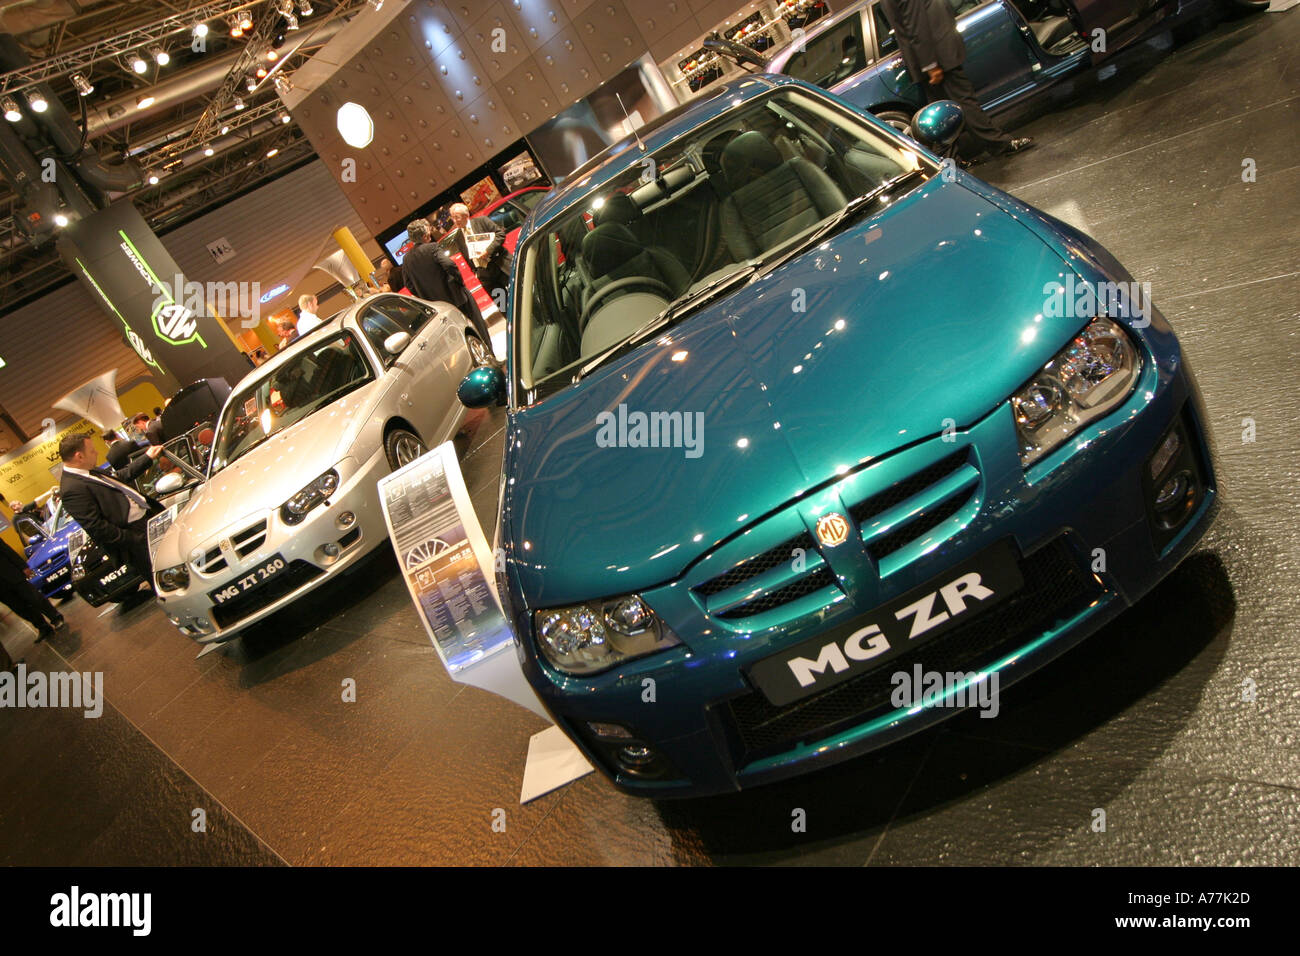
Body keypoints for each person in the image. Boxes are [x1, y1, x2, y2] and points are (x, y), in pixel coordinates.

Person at [878, 0, 1032, 162]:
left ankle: (951, 161)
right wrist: (931, 64)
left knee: (942, 115)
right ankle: (999, 144)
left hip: (931, 58)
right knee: (964, 103)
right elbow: (916, 26)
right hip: (938, 58)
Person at [58, 433, 163, 593]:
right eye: (92, 451)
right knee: (164, 579)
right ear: (79, 456)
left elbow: (119, 477)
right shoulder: (71, 489)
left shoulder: (89, 470)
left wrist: (147, 458)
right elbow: (97, 527)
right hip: (135, 538)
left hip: (147, 522)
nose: (97, 453)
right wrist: (135, 539)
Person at [401, 218, 492, 346]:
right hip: (457, 298)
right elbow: (449, 265)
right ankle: (490, 355)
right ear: (425, 235)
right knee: (478, 327)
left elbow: (408, 284)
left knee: (458, 339)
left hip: (437, 307)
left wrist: (425, 296)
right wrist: (458, 282)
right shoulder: (432, 247)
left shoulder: (406, 259)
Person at [0, 532, 65, 641]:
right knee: (19, 608)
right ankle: (42, 626)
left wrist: (22, 566)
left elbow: (7, 551)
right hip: (1, 589)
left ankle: (55, 617)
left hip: (11, 574)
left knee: (34, 597)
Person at [448, 202, 512, 303]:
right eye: (453, 218)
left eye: (457, 217)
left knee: (520, 298)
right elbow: (468, 258)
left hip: (501, 265)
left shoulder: (482, 221)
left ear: (466, 215)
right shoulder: (458, 238)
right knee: (503, 305)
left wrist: (488, 251)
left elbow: (500, 235)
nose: (455, 221)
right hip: (485, 275)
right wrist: (476, 272)